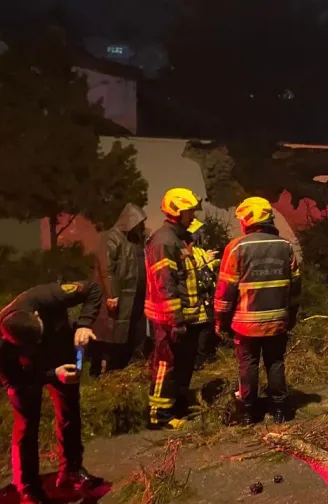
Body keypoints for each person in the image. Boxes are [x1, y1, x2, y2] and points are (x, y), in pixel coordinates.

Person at [0, 281, 104, 504]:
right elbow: (17, 380)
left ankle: (71, 471)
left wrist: (84, 324)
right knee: (26, 425)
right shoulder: (2, 348)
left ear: (37, 314)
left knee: (69, 412)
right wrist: (52, 375)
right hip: (28, 372)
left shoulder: (46, 296)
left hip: (60, 354)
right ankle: (28, 487)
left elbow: (93, 289)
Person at [215, 197, 301, 425]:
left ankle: (248, 413)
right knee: (275, 362)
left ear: (249, 220)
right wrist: (291, 315)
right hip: (277, 320)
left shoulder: (236, 247)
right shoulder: (285, 246)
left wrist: (220, 321)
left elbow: (225, 291)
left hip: (246, 324)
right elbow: (295, 286)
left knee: (248, 364)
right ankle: (280, 410)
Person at [144, 188, 207, 430]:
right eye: (189, 212)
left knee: (181, 365)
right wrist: (175, 320)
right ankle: (159, 416)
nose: (193, 216)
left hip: (183, 317)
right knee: (165, 365)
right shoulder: (164, 241)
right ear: (177, 212)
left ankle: (176, 408)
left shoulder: (176, 239)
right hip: (168, 319)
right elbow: (165, 284)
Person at [90, 203, 148, 377]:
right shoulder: (111, 237)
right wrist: (112, 294)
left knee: (132, 330)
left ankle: (128, 365)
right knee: (112, 333)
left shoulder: (134, 240)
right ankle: (105, 370)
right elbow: (107, 269)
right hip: (120, 296)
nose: (141, 225)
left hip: (136, 296)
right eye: (139, 222)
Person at [186, 219, 221, 370]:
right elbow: (190, 267)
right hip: (193, 297)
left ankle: (203, 358)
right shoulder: (184, 249)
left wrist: (216, 262)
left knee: (207, 326)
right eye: (197, 231)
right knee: (198, 330)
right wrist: (205, 260)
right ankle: (197, 361)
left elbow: (205, 267)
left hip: (206, 295)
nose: (199, 234)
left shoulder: (199, 249)